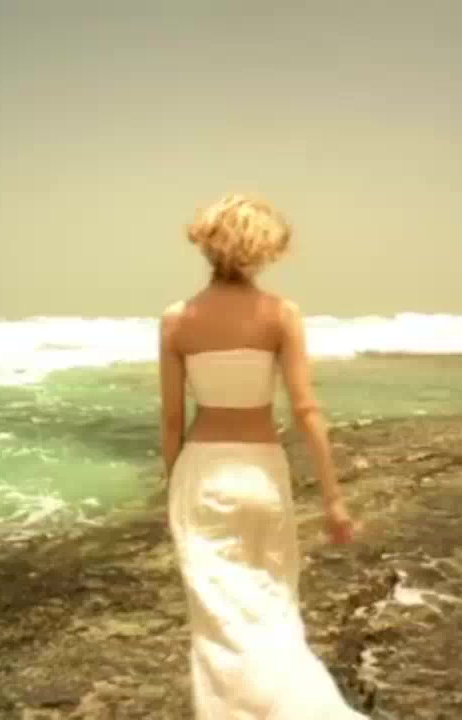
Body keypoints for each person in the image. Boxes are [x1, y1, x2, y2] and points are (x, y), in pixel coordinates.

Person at [159, 193, 366, 718]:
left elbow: (171, 420)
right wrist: (333, 501)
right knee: (273, 608)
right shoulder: (280, 314)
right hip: (263, 475)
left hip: (200, 476)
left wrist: (172, 488)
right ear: (263, 251)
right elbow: (306, 410)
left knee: (218, 625)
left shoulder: (176, 320)